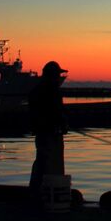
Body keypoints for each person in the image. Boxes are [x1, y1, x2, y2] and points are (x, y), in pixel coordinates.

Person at [28, 60, 69, 196]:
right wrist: (62, 124)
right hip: (51, 134)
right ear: (52, 75)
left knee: (41, 162)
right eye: (57, 74)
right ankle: (48, 194)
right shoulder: (52, 91)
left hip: (42, 133)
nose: (59, 77)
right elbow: (56, 112)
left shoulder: (36, 90)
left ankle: (37, 192)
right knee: (50, 165)